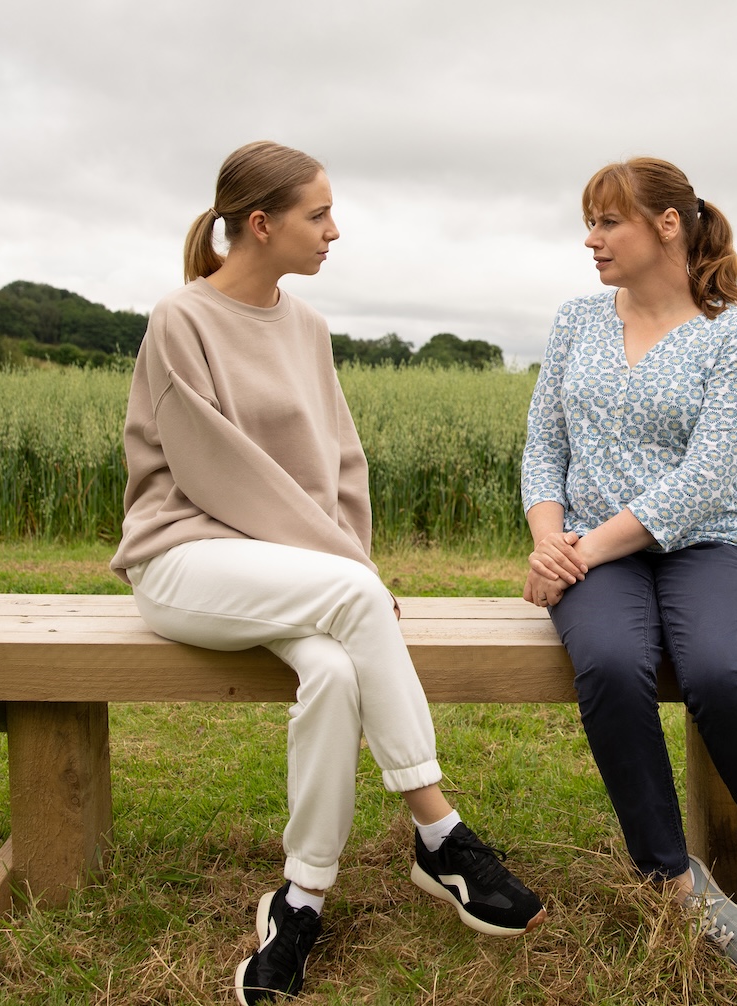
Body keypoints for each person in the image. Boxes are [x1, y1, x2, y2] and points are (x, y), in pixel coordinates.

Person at [110, 141, 545, 1004]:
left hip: (293, 571)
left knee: (336, 669)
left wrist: (348, 554)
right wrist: (346, 570)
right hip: (182, 558)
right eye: (320, 215)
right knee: (353, 599)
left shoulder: (306, 328)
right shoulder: (180, 320)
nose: (335, 231)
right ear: (261, 224)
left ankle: (300, 898)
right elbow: (214, 471)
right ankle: (440, 832)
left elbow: (341, 464)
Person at [519, 157, 737, 974]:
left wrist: (577, 549)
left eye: (609, 222)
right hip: (589, 556)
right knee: (608, 662)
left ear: (666, 226)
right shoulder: (576, 319)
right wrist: (547, 539)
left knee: (719, 668)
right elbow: (544, 444)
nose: (591, 238)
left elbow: (706, 476)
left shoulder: (736, 336)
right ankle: (673, 878)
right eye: (591, 222)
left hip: (705, 544)